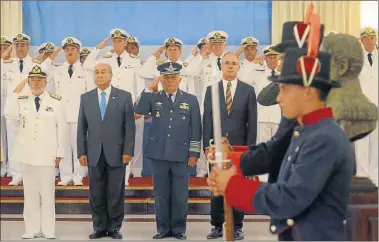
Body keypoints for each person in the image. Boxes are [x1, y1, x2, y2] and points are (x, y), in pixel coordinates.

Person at [208, 46, 355, 241]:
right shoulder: (308, 132)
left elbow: (288, 198)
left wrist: (233, 185)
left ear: (309, 92)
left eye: (284, 89)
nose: (278, 98)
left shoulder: (323, 139)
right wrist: (232, 159)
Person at [134, 62, 201, 240]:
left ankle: (178, 230)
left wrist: (194, 153)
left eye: (173, 77)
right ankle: (163, 229)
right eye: (166, 77)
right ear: (161, 79)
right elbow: (138, 109)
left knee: (180, 195)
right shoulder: (153, 97)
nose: (170, 81)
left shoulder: (190, 99)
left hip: (181, 154)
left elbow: (196, 128)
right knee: (161, 194)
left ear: (180, 79)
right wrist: (149, 89)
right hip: (159, 154)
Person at [4, 64, 67, 239]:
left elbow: (62, 128)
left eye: (39, 80)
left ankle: (48, 230)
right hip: (27, 155)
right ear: (28, 81)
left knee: (47, 195)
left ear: (46, 82)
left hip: (47, 155)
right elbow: (8, 112)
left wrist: (60, 152)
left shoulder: (56, 101)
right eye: (33, 79)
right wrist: (20, 85)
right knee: (30, 195)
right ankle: (31, 229)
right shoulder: (22, 100)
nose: (36, 83)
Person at [77, 62, 136, 239]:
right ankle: (99, 227)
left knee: (115, 192)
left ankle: (114, 227)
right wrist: (82, 152)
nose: (100, 75)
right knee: (96, 192)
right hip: (94, 153)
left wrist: (128, 151)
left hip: (117, 153)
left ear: (111, 76)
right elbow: (82, 127)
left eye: (103, 72)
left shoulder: (124, 97)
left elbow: (130, 127)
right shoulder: (86, 98)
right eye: (97, 72)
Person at [203, 52, 257, 240]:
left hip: (239, 149)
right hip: (216, 148)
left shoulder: (248, 91)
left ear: (238, 67)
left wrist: (250, 149)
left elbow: (252, 122)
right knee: (217, 186)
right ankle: (217, 225)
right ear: (221, 66)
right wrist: (206, 145)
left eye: (234, 63)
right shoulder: (212, 90)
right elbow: (207, 119)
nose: (230, 66)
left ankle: (237, 226)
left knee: (237, 186)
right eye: (227, 63)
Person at [53, 37, 92, 186]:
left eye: (72, 49)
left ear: (78, 51)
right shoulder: (57, 70)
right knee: (63, 145)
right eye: (67, 49)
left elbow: (89, 95)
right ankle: (65, 175)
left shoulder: (86, 71)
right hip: (61, 114)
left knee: (79, 146)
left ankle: (78, 176)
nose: (69, 52)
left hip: (79, 115)